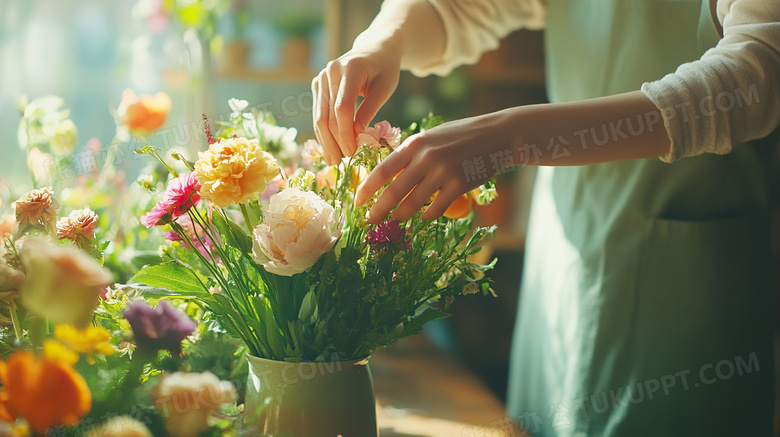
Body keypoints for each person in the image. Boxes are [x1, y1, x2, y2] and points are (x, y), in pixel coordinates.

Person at [312, 0, 780, 435]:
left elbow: (754, 78)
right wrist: (382, 41)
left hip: (686, 272)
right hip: (566, 246)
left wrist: (513, 137)